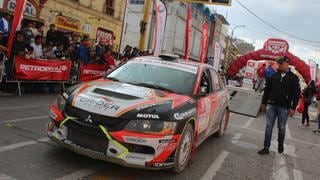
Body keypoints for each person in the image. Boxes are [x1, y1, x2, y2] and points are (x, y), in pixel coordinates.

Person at [258, 56, 300, 154]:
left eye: (282, 63)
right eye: (279, 63)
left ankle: (280, 144)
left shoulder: (293, 78)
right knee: (268, 126)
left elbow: (296, 94)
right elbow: (267, 91)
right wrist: (264, 103)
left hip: (284, 107)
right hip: (271, 105)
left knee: (281, 127)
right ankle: (266, 147)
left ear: (287, 64)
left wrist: (293, 108)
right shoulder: (273, 76)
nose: (280, 64)